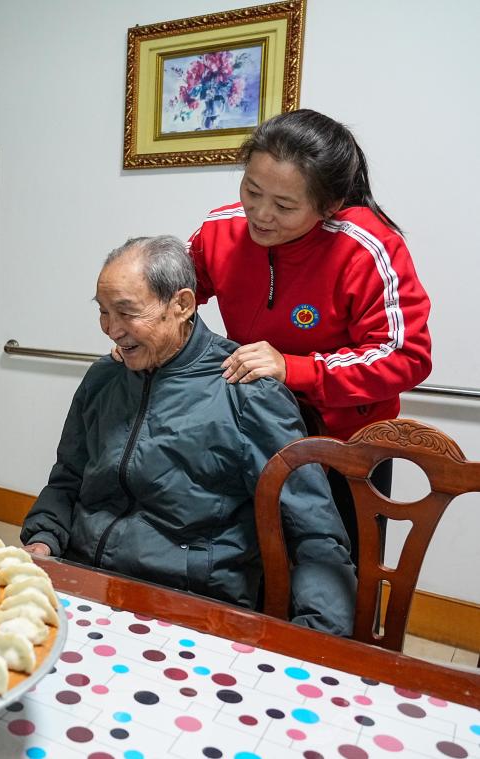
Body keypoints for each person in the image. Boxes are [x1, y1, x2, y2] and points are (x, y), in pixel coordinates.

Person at [22, 237, 355, 635]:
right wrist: (42, 539)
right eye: (104, 312)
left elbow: (311, 526)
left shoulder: (246, 390)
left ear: (181, 305)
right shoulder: (104, 379)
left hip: (190, 600)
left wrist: (320, 638)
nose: (111, 330)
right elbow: (68, 477)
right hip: (86, 576)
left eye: (126, 312)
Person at [185, 109, 432, 556]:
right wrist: (138, 321)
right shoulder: (220, 230)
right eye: (251, 191)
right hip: (254, 427)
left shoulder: (366, 247)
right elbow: (174, 293)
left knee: (341, 575)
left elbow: (405, 355)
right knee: (252, 563)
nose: (260, 214)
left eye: (284, 206)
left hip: (347, 446)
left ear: (330, 204)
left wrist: (294, 368)